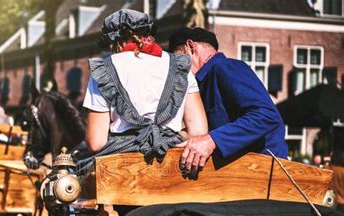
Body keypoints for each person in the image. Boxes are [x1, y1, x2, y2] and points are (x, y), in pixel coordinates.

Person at [81, 9, 207, 173]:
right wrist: (166, 138)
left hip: (122, 170)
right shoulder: (180, 67)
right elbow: (198, 131)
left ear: (114, 40)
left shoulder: (104, 70)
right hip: (173, 168)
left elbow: (95, 142)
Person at [168, 27, 288, 172]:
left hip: (265, 176)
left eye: (178, 58)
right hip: (242, 177)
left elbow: (267, 115)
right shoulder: (205, 81)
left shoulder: (225, 67)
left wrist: (211, 140)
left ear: (191, 47)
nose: (178, 69)